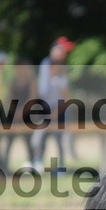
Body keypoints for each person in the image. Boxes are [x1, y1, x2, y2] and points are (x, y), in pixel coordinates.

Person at [30, 37, 75, 171]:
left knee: (59, 139)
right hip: (47, 109)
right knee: (40, 137)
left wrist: (56, 112)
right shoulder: (47, 65)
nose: (65, 54)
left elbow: (66, 97)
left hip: (58, 110)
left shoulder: (61, 73)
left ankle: (60, 166)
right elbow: (42, 91)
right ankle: (37, 162)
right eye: (63, 50)